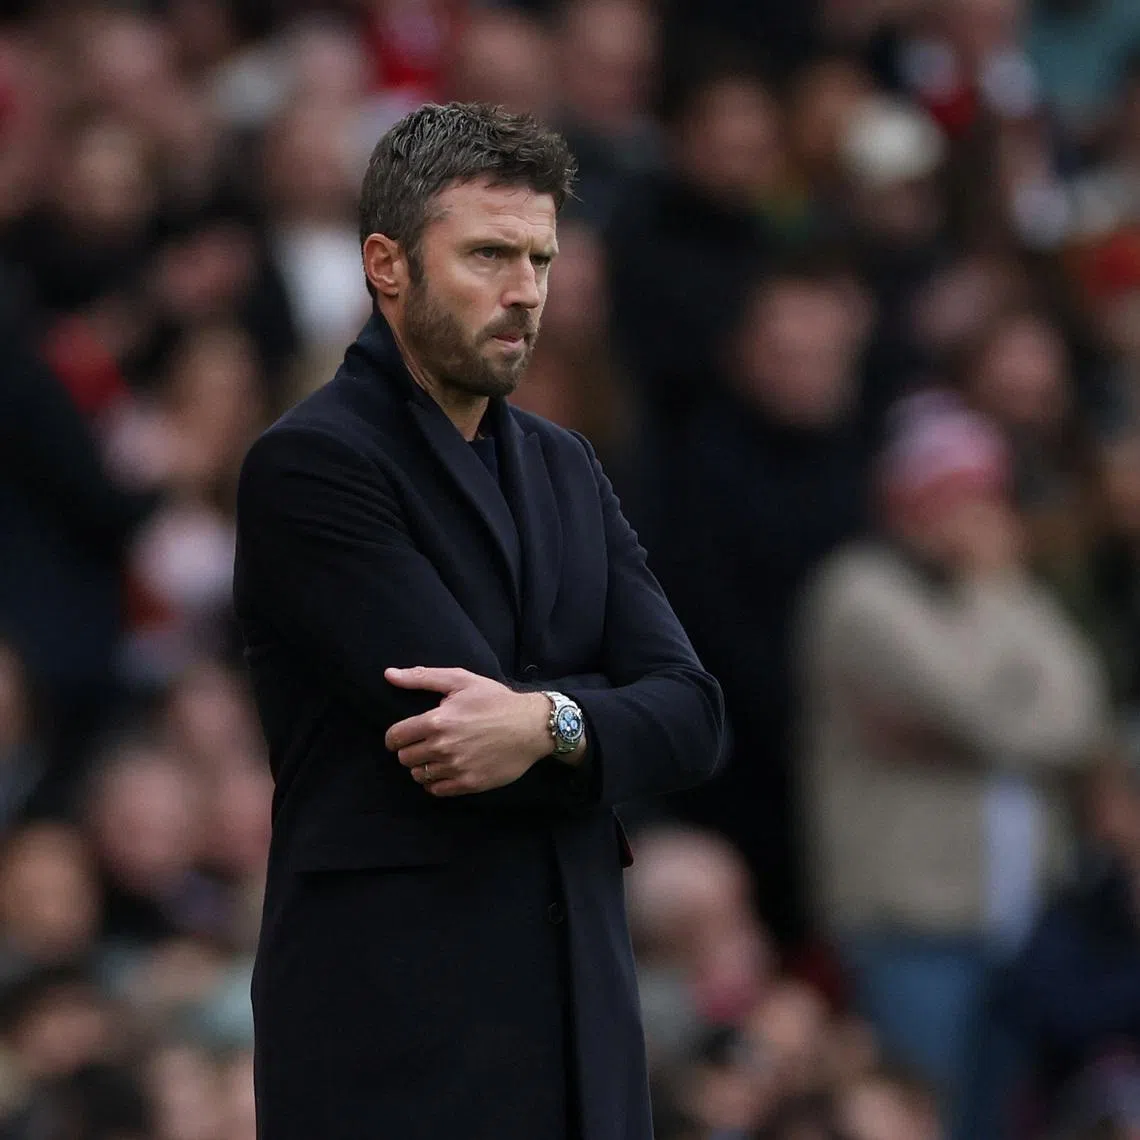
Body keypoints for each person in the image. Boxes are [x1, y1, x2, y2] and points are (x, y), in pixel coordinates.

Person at [231, 102, 726, 1140]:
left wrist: (549, 720)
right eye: (489, 256)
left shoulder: (569, 464)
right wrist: (597, 718)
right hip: (396, 1048)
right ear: (387, 264)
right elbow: (456, 726)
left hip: (582, 1033)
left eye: (541, 260)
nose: (525, 294)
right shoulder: (312, 465)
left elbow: (693, 715)